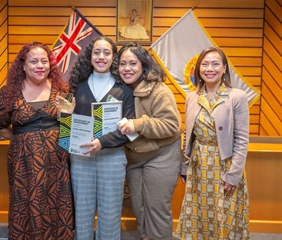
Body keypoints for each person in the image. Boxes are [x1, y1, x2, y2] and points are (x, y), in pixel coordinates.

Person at [0, 42, 74, 239]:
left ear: (50, 65)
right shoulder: (8, 93)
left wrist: (68, 115)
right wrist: (21, 138)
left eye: (44, 61)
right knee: (25, 204)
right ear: (22, 65)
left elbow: (69, 131)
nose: (40, 66)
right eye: (34, 61)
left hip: (57, 160)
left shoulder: (62, 91)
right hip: (23, 162)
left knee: (57, 203)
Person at [175, 47, 250, 239]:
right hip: (198, 166)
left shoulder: (237, 96)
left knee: (223, 216)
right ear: (199, 68)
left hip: (224, 165)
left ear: (224, 68)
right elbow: (188, 134)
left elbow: (242, 140)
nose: (210, 68)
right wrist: (184, 166)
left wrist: (234, 175)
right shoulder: (192, 96)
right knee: (197, 215)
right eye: (205, 64)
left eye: (215, 64)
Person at [66, 36, 135, 240]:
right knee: (83, 214)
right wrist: (65, 115)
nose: (101, 56)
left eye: (107, 52)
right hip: (81, 157)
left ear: (113, 57)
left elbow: (129, 130)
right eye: (97, 52)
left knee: (110, 214)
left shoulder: (124, 90)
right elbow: (66, 123)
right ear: (90, 56)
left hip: (112, 158)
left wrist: (101, 142)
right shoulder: (76, 86)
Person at [117, 43, 182, 239]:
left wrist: (138, 124)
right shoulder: (120, 89)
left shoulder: (159, 90)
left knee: (156, 208)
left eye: (132, 63)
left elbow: (172, 125)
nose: (127, 69)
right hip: (135, 156)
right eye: (122, 64)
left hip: (161, 155)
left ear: (143, 66)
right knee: (140, 208)